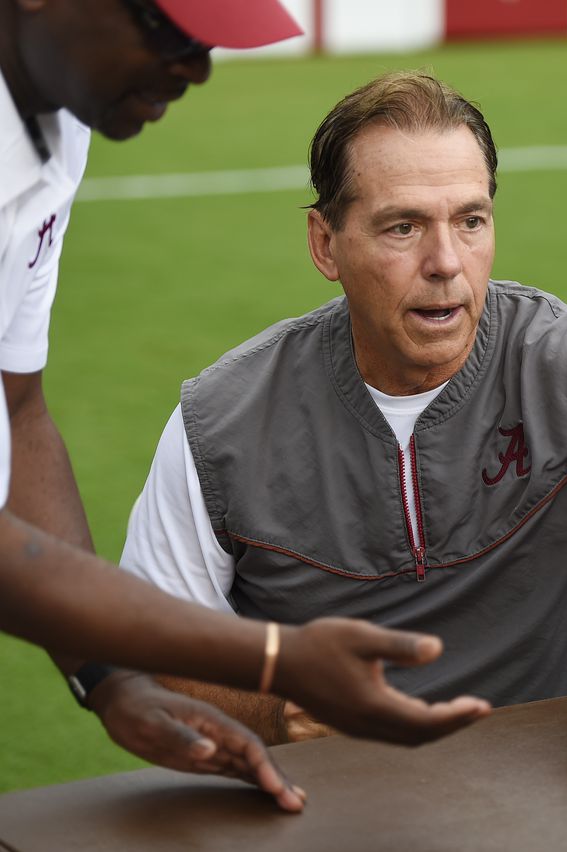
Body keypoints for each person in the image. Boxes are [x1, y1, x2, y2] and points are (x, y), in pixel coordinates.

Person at [118, 70, 567, 744]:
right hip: (338, 802)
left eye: (471, 220)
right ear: (325, 243)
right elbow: (147, 648)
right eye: (403, 227)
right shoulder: (220, 422)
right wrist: (279, 713)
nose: (446, 262)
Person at [0, 0, 492, 812]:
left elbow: (15, 408)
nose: (196, 67)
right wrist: (277, 659)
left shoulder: (59, 124)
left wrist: (110, 678)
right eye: (169, 30)